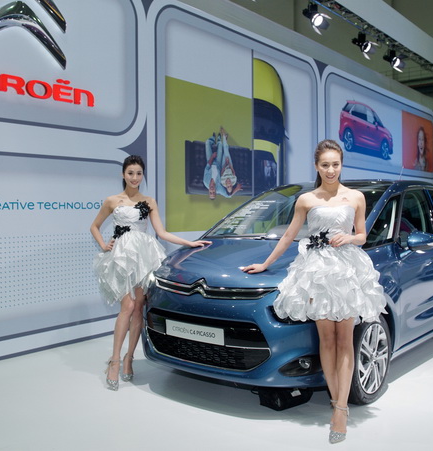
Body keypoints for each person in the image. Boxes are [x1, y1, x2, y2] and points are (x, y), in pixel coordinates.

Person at [242, 140, 386, 444]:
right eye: (325, 165)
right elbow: (289, 236)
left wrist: (349, 238)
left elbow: (362, 235)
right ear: (316, 166)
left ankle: (341, 409)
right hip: (317, 273)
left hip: (345, 271)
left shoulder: (356, 197)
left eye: (335, 164)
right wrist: (265, 264)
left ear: (341, 164)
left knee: (345, 341)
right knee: (327, 341)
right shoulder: (306, 199)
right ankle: (336, 400)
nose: (331, 170)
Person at [91, 155, 211, 391]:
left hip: (143, 257)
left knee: (138, 308)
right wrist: (104, 245)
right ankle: (114, 361)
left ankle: (129, 359)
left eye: (139, 173)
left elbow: (162, 233)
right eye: (131, 173)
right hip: (122, 257)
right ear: (123, 174)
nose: (135, 177)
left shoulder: (149, 201)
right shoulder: (112, 201)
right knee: (126, 307)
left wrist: (190, 243)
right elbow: (94, 226)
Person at [203, 126, 243, 199]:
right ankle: (218, 139)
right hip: (218, 163)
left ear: (208, 191)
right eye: (213, 192)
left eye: (210, 192)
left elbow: (207, 167)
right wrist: (236, 189)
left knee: (207, 142)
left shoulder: (205, 182)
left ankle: (212, 139)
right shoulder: (219, 189)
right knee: (220, 144)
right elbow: (228, 196)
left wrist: (212, 157)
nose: (212, 191)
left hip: (210, 161)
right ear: (216, 192)